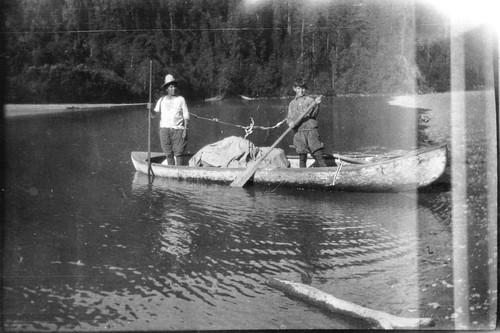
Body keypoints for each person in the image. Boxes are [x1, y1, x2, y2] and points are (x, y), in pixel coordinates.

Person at [149, 74, 190, 166]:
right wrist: (150, 108)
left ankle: (179, 171)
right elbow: (153, 115)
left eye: (174, 86)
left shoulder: (181, 99)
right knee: (168, 153)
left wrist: (185, 130)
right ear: (167, 89)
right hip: (164, 130)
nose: (173, 89)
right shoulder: (161, 100)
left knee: (179, 153)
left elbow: (186, 116)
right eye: (171, 87)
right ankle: (171, 170)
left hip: (178, 129)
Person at [286, 81, 328, 168]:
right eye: (298, 88)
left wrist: (316, 105)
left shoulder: (310, 100)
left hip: (311, 130)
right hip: (299, 132)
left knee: (318, 153)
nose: (301, 91)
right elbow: (289, 117)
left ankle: (326, 171)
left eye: (303, 88)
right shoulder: (292, 103)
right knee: (302, 155)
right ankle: (302, 174)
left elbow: (313, 115)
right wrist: (290, 123)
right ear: (294, 89)